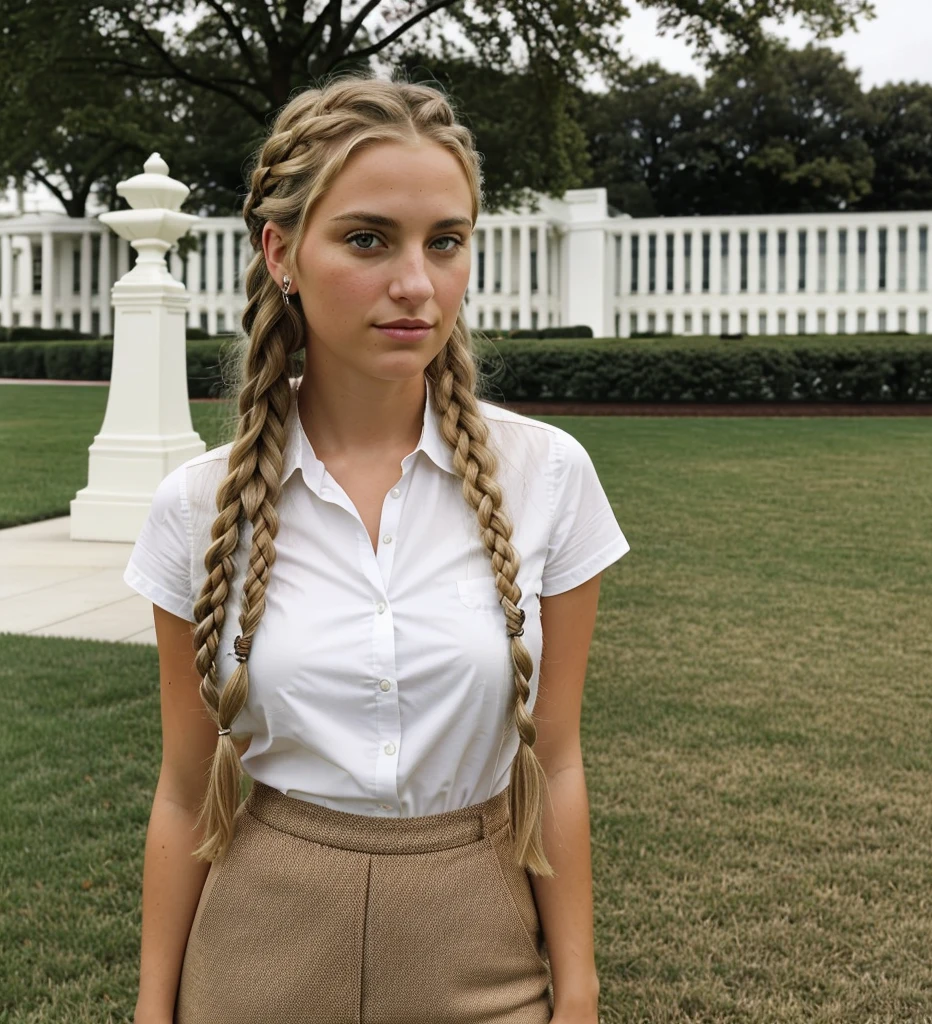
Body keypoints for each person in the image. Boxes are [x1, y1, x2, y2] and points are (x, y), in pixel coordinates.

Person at [123, 71, 630, 1024]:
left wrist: (580, 994)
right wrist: (154, 1009)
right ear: (282, 252)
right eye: (368, 239)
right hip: (254, 959)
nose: (415, 284)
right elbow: (187, 792)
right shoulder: (198, 507)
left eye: (446, 243)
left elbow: (555, 759)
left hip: (482, 954)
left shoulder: (547, 475)